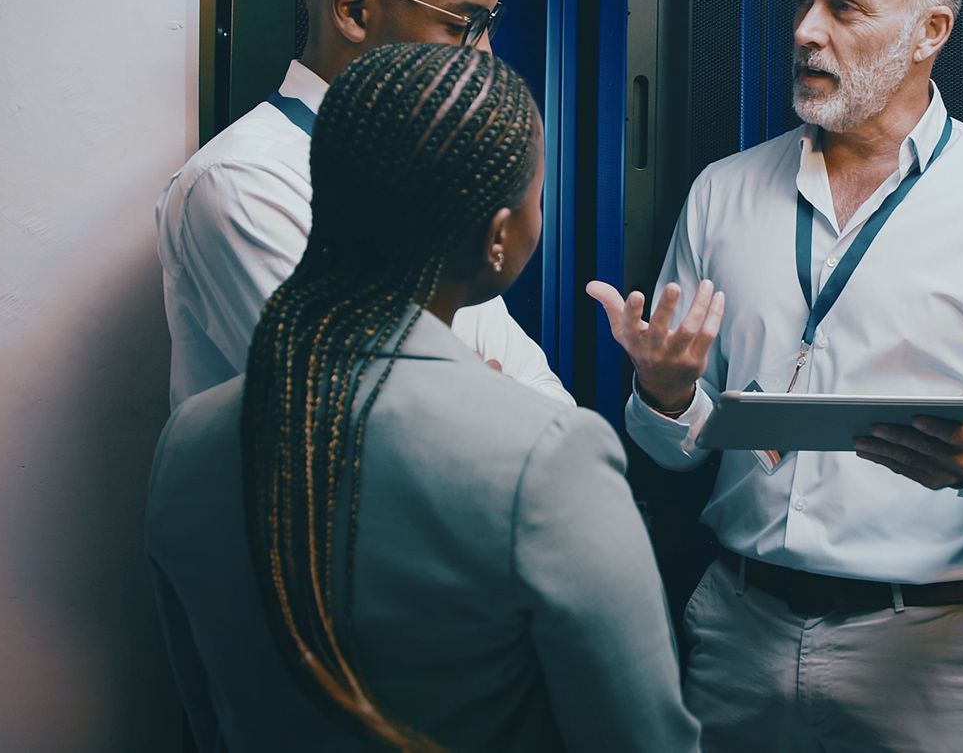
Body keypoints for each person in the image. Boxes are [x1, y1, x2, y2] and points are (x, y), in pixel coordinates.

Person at [586, 0, 963, 752]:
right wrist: (664, 394)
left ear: (930, 32)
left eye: (844, 8)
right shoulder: (722, 194)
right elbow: (670, 447)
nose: (805, 29)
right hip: (735, 630)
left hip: (926, 655)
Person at [146, 43, 699, 752]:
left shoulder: (189, 439)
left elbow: (205, 711)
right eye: (536, 192)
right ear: (501, 234)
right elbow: (643, 741)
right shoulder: (547, 455)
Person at [157, 0, 570, 410]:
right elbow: (375, 419)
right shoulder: (242, 181)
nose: (486, 54)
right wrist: (481, 400)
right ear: (353, 10)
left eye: (489, 24)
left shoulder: (430, 172)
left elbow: (546, 405)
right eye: (462, 24)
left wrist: (471, 399)